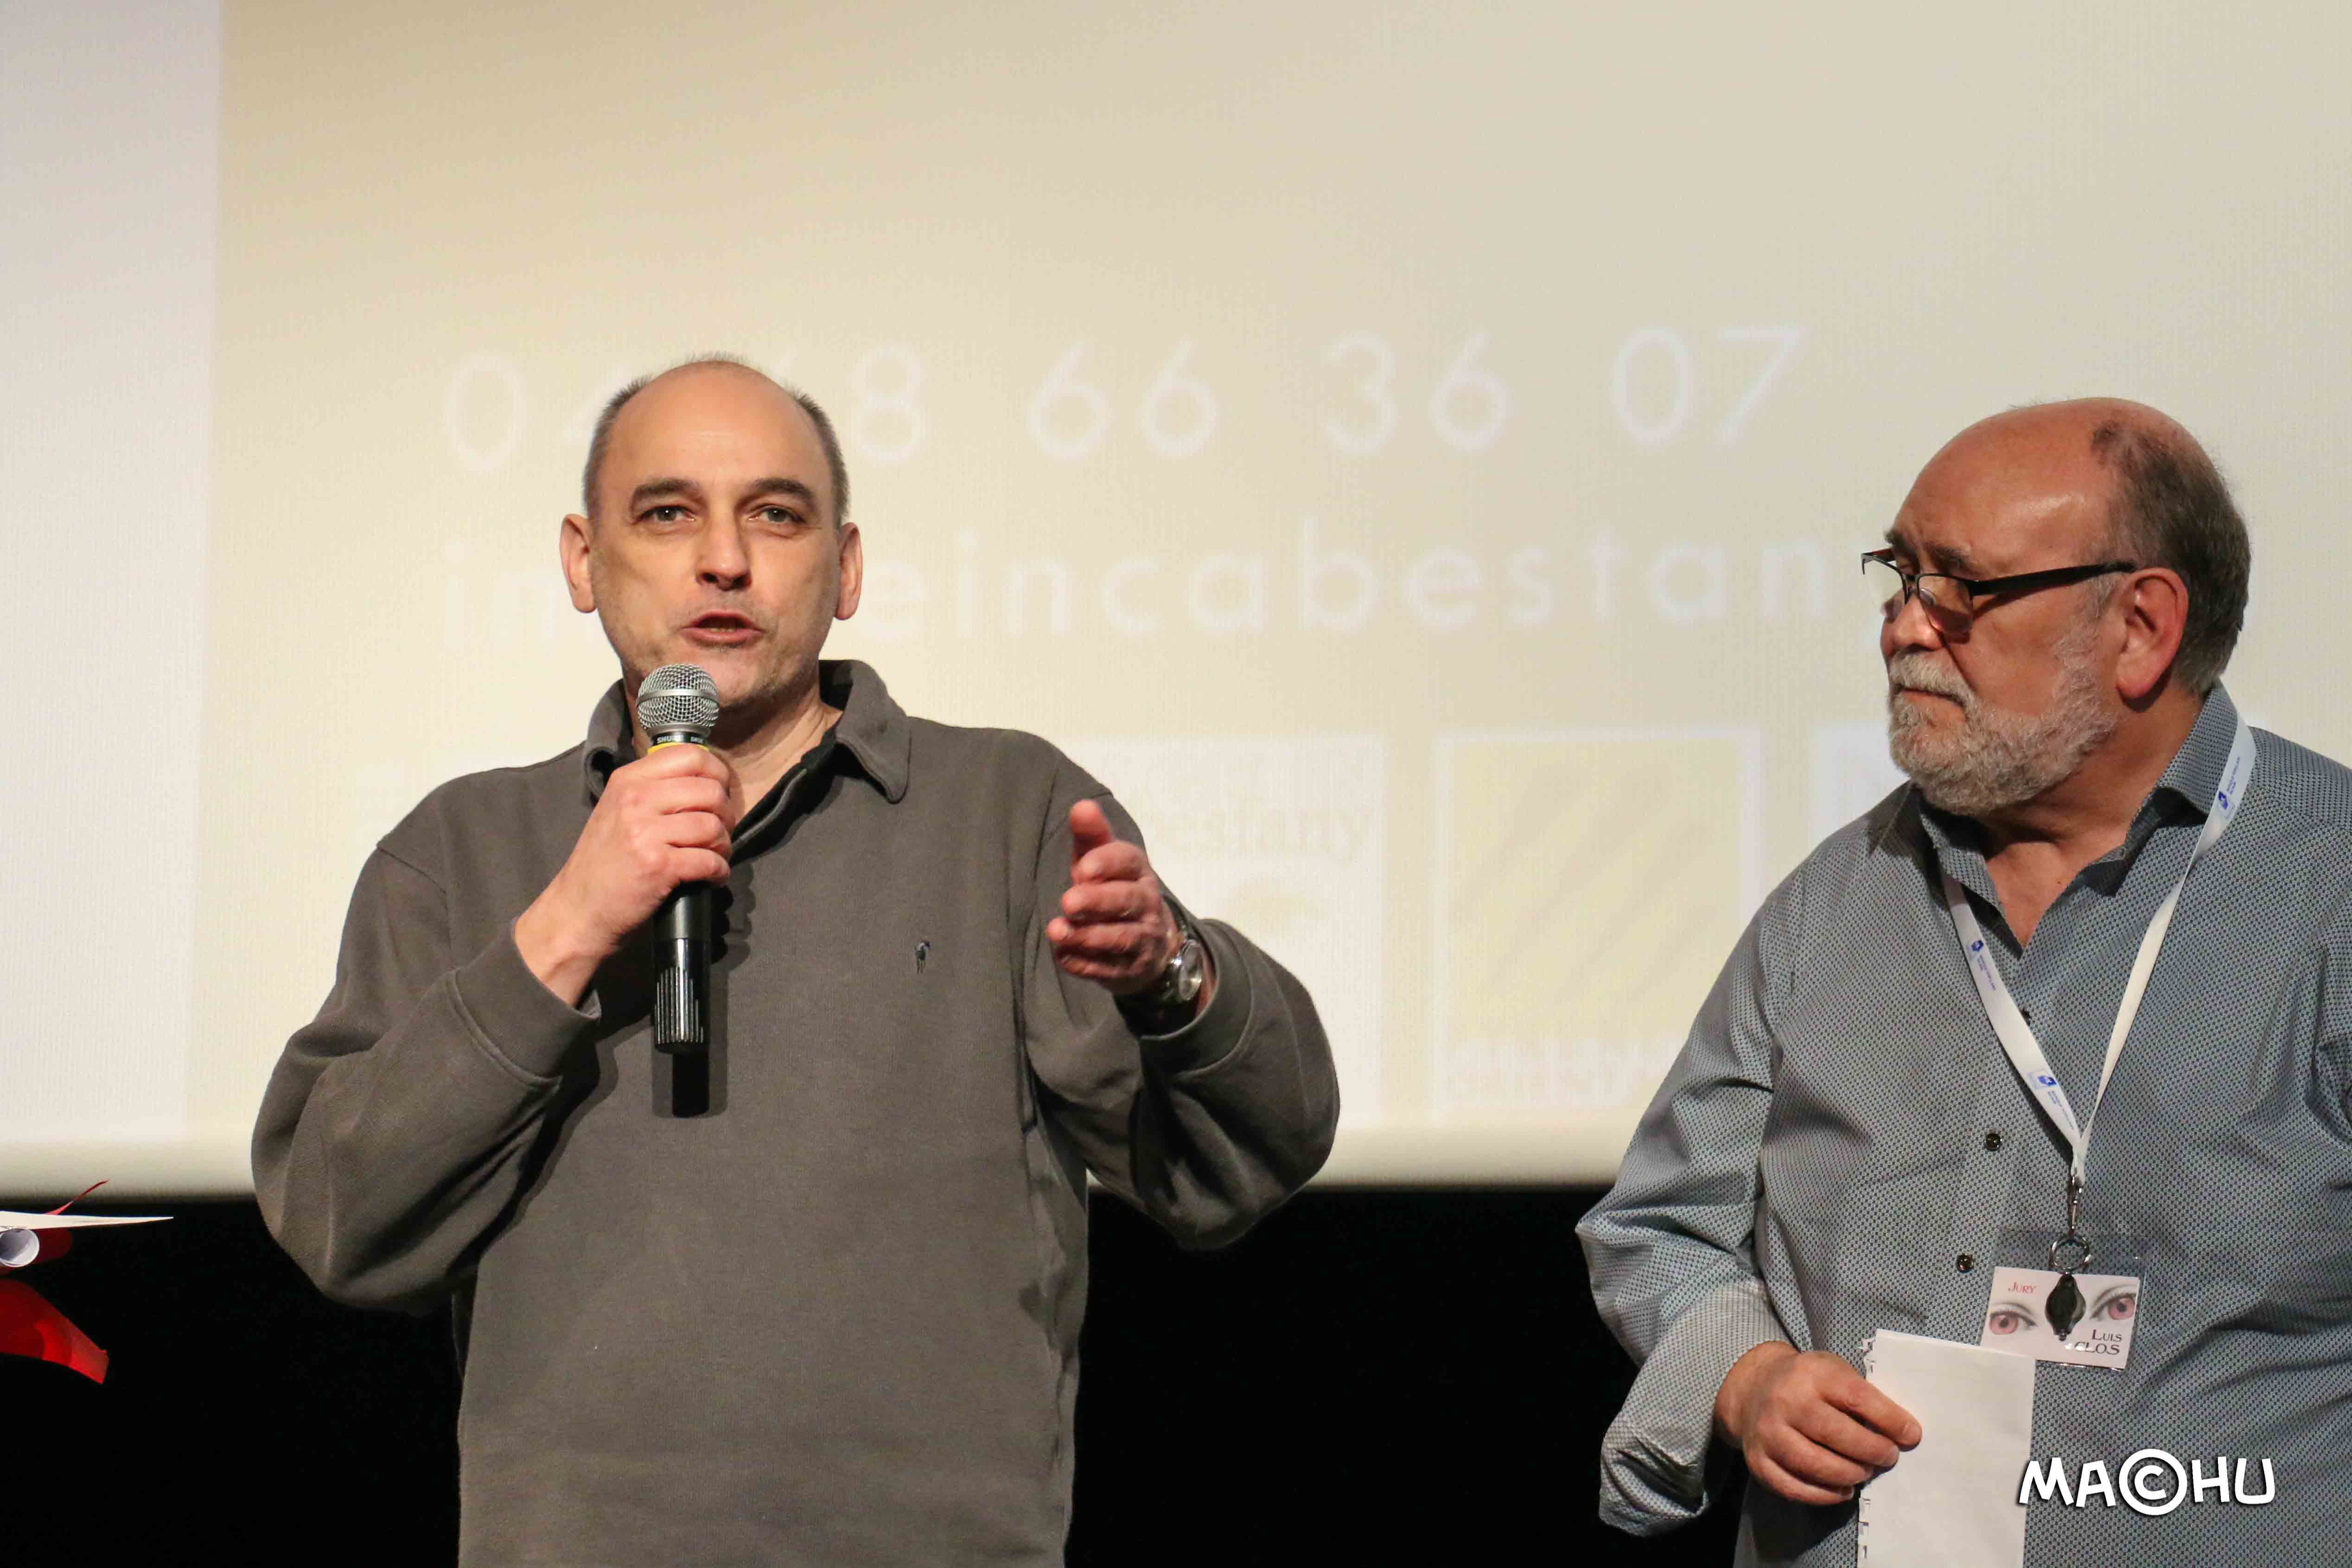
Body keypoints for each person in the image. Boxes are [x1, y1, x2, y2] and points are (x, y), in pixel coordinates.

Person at [252, 356, 1339, 1566]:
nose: (724, 558)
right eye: (668, 512)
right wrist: (568, 921)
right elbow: (341, 1220)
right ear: (582, 559)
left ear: (848, 566)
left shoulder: (1006, 811)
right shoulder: (462, 850)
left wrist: (1174, 976)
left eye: (775, 514)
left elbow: (1246, 1159)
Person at [1578, 399, 2352, 1564]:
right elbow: (1658, 1227)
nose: (1904, 627)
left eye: (1960, 589)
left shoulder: (2325, 894)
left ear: (2140, 627)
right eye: (1899, 576)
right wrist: (1746, 1376)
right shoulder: (1831, 904)